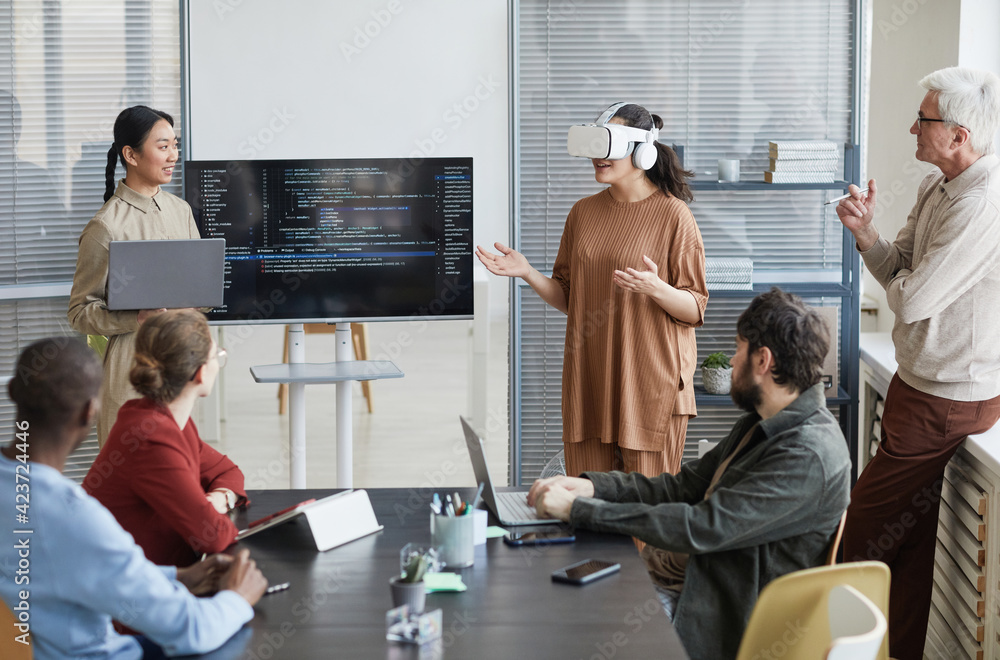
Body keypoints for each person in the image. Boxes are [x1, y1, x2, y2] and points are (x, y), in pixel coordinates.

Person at [528, 288, 851, 660]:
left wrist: (578, 510)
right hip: (681, 581)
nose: (731, 361)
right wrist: (591, 486)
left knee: (575, 632)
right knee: (557, 602)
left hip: (713, 613)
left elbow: (703, 526)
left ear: (763, 361)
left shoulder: (808, 454)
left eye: (738, 348)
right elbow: (682, 485)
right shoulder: (764, 423)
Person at [836, 66, 1000, 660]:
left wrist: (900, 280)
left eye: (924, 120)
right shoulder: (940, 186)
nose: (912, 127)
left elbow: (911, 297)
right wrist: (865, 232)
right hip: (920, 386)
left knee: (859, 539)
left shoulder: (980, 203)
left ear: (957, 135)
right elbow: (898, 265)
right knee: (904, 547)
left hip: (948, 399)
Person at [477, 102, 708, 477]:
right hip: (590, 381)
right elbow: (574, 300)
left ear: (641, 150)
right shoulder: (582, 213)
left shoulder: (674, 216)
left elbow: (695, 308)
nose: (598, 158)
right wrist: (529, 273)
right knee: (587, 505)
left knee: (644, 512)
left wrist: (656, 288)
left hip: (649, 383)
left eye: (609, 147)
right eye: (595, 147)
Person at [0, 337, 267, 659]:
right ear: (90, 411)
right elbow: (191, 631)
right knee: (240, 634)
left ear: (13, 391)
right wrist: (238, 597)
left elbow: (66, 569)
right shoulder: (76, 517)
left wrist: (177, 577)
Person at [68, 104, 200, 447]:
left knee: (177, 472)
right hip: (130, 372)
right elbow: (80, 312)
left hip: (178, 366)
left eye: (175, 144)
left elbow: (200, 287)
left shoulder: (180, 210)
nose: (173, 155)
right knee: (130, 480)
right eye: (163, 146)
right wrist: (136, 316)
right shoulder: (106, 226)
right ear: (131, 154)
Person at [84, 309, 247, 568]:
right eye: (217, 355)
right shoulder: (150, 438)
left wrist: (220, 498)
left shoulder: (164, 420)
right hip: (122, 592)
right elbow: (212, 535)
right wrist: (213, 510)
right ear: (200, 373)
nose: (219, 361)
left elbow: (228, 471)